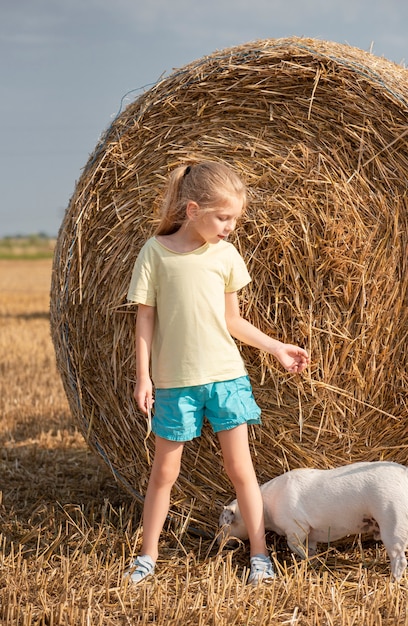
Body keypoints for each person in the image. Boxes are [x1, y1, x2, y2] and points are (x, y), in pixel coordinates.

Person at [124, 161, 310, 586]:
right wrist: (143, 377)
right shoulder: (154, 252)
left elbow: (233, 321)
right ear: (193, 210)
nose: (230, 227)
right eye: (224, 217)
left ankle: (259, 555)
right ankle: (147, 557)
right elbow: (145, 320)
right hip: (174, 383)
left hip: (226, 377)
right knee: (163, 475)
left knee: (240, 469)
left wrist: (276, 347)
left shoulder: (226, 255)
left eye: (235, 219)